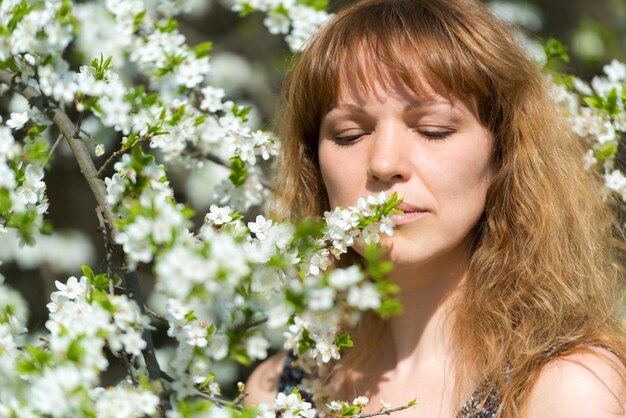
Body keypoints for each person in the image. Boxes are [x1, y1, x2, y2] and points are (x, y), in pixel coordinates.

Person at [245, 0, 626, 416]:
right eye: (350, 134)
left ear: (503, 155)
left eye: (433, 130)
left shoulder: (565, 389)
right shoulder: (279, 392)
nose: (384, 163)